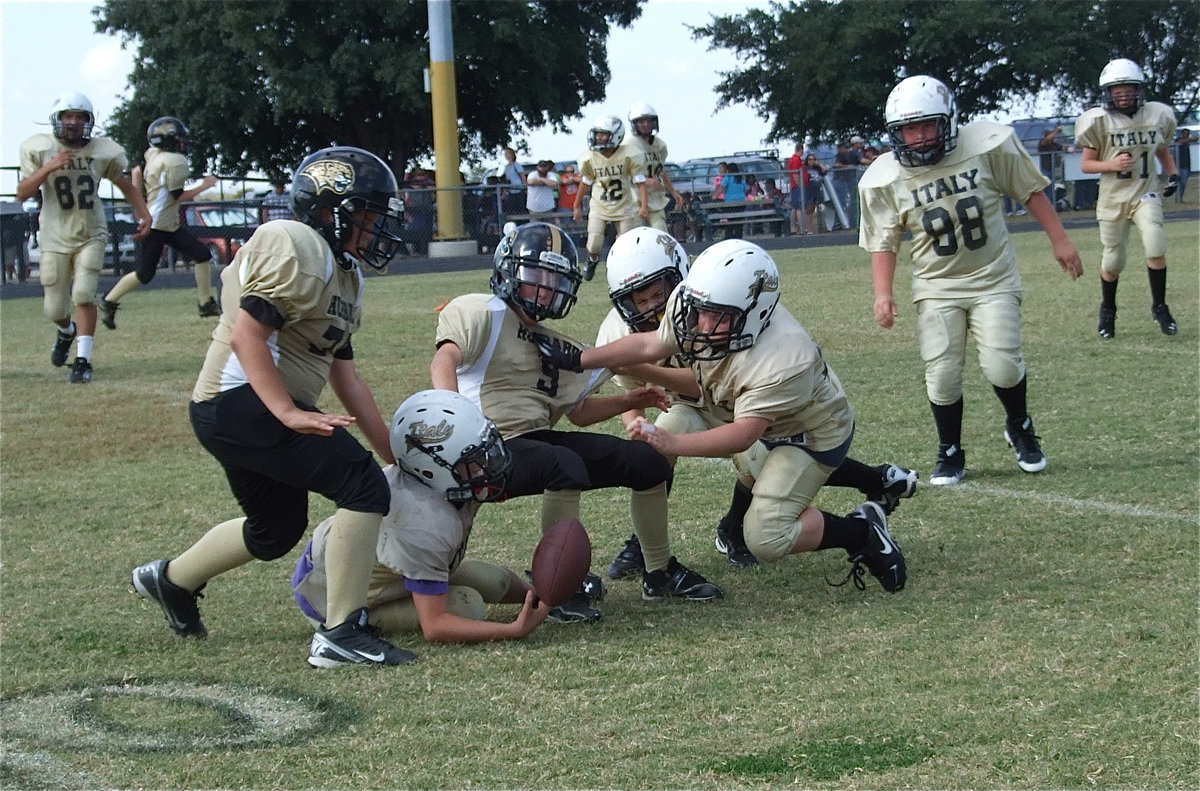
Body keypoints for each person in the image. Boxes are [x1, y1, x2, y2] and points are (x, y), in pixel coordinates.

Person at [131, 146, 414, 668]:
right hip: (240, 403)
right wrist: (287, 412)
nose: (377, 229)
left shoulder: (344, 273)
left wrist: (392, 453)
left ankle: (171, 580)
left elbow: (345, 374)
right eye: (369, 216)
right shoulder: (297, 244)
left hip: (240, 409)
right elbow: (247, 335)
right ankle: (341, 633)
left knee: (275, 530)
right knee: (361, 486)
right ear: (331, 210)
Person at [537, 240, 910, 594]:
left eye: (717, 317)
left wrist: (674, 442)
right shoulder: (701, 306)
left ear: (755, 313)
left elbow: (744, 434)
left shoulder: (784, 360)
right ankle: (660, 562)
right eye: (701, 311)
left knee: (766, 536)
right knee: (675, 456)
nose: (700, 324)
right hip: (736, 412)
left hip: (807, 433)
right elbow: (651, 343)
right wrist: (579, 359)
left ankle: (861, 531)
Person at [431, 222, 724, 620]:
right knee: (562, 464)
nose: (545, 289)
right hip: (481, 444)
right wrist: (455, 423)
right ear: (508, 271)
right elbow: (444, 360)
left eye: (554, 280)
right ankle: (557, 589)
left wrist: (629, 400)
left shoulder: (555, 343)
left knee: (648, 461)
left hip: (533, 440)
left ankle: (659, 573)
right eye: (536, 276)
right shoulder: (483, 311)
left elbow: (581, 414)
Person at [859, 75, 1084, 485]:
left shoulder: (985, 146)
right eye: (910, 129)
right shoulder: (885, 177)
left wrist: (1060, 239)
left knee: (1002, 365)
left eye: (928, 126)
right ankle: (950, 450)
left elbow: (1029, 190)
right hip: (936, 286)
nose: (920, 137)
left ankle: (1020, 425)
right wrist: (882, 293)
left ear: (948, 121)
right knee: (942, 373)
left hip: (992, 276)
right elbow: (884, 240)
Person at [293, 389, 552, 643]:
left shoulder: (440, 484)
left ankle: (539, 597)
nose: (490, 463)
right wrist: (513, 631)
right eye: (474, 460)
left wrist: (545, 598)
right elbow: (436, 626)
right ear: (430, 469)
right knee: (467, 606)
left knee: (493, 581)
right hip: (326, 598)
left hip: (379, 571)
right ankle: (351, 621)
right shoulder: (420, 520)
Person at [17, 91, 151, 384]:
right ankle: (66, 331)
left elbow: (125, 185)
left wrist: (143, 213)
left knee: (83, 293)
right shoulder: (41, 149)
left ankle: (83, 360)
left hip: (91, 232)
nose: (74, 123)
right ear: (58, 121)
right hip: (54, 234)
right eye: (68, 117)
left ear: (89, 122)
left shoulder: (103, 151)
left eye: (80, 117)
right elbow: (22, 192)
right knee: (53, 308)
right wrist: (49, 167)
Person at [1076, 59, 1180, 339]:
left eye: (1128, 89)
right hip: (1113, 198)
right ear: (1108, 93)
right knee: (1113, 262)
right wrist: (1111, 165)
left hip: (1145, 191)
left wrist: (1172, 174)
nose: (1123, 95)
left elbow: (1161, 149)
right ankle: (1107, 310)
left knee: (1155, 243)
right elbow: (1086, 165)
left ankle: (1160, 307)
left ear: (1139, 90)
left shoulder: (1156, 115)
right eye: (1117, 90)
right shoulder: (1098, 120)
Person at [99, 117, 220, 330]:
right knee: (144, 273)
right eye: (178, 139)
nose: (182, 143)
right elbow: (178, 197)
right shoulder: (175, 161)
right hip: (158, 224)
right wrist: (205, 185)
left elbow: (138, 170)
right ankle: (108, 301)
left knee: (202, 255)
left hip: (165, 223)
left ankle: (205, 303)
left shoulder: (154, 154)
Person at [574, 115, 640, 281]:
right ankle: (592, 260)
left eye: (604, 134)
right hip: (599, 206)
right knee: (594, 242)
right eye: (598, 134)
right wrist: (576, 206)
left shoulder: (628, 155)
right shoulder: (590, 157)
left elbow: (640, 182)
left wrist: (644, 204)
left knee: (626, 244)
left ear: (616, 135)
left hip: (623, 206)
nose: (599, 138)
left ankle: (624, 269)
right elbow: (585, 183)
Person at [625, 103, 684, 232]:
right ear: (634, 124)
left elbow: (660, 170)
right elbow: (623, 174)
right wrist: (646, 181)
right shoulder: (628, 144)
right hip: (634, 199)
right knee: (638, 236)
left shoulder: (659, 145)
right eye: (641, 121)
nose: (646, 124)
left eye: (649, 120)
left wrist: (673, 192)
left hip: (655, 199)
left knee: (661, 234)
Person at [1037, 127, 1066, 204]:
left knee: (1050, 189)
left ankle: (1049, 204)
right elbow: (1047, 140)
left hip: (1052, 169)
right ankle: (1041, 204)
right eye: (1051, 134)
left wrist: (1070, 148)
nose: (1054, 136)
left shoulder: (1054, 144)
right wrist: (1057, 131)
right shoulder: (1042, 143)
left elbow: (1063, 147)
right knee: (1044, 188)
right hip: (1045, 170)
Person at [801, 154, 829, 234]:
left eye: (813, 159)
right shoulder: (805, 169)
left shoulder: (817, 169)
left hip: (816, 191)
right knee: (809, 210)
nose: (811, 161)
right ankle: (808, 228)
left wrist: (819, 164)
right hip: (809, 190)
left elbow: (825, 170)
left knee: (813, 210)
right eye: (809, 159)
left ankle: (811, 228)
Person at [497, 146, 526, 215]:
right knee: (513, 209)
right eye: (505, 154)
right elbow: (507, 180)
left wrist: (526, 187)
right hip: (511, 190)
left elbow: (522, 176)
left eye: (508, 153)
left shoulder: (516, 165)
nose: (506, 155)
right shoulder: (507, 167)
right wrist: (505, 192)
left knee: (521, 209)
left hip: (519, 189)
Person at [786, 142, 805, 234]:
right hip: (796, 187)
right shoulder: (796, 160)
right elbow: (795, 174)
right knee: (798, 208)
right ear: (801, 149)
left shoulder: (794, 159)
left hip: (794, 186)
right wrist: (799, 185)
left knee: (794, 207)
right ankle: (801, 228)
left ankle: (793, 228)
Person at [1174, 128, 1195, 203]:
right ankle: (1177, 198)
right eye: (1185, 133)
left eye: (1188, 134)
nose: (1187, 135)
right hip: (1178, 164)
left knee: (1183, 182)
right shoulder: (1178, 140)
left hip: (1185, 165)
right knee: (1178, 182)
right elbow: (1180, 141)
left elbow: (1195, 139)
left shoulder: (1187, 142)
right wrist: (1190, 139)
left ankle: (1180, 198)